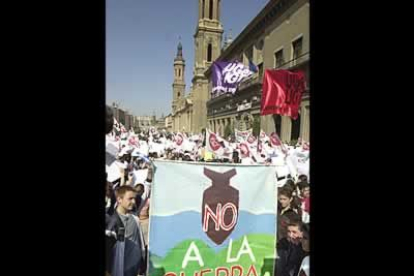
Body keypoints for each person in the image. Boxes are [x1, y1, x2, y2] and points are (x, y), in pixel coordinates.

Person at [106, 186, 145, 276]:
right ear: (119, 199)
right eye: (130, 199)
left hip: (135, 271)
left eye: (134, 199)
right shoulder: (110, 222)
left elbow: (141, 245)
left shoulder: (135, 219)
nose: (133, 202)